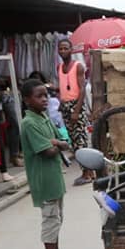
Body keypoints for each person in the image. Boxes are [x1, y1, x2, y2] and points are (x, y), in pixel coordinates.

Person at [19, 78, 81, 249]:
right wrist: (56, 143)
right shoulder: (29, 123)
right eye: (39, 96)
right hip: (43, 179)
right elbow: (47, 150)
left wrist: (57, 143)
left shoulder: (43, 117)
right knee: (50, 220)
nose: (44, 99)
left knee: (57, 218)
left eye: (45, 95)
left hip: (54, 177)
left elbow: (62, 141)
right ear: (27, 100)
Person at [56, 39, 93, 186]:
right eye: (61, 48)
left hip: (75, 106)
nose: (63, 51)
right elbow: (62, 87)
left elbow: (82, 89)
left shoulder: (78, 66)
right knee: (74, 141)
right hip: (66, 106)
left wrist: (77, 111)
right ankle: (89, 172)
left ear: (71, 50)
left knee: (81, 141)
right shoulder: (59, 67)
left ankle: (87, 173)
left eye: (65, 48)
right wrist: (61, 103)